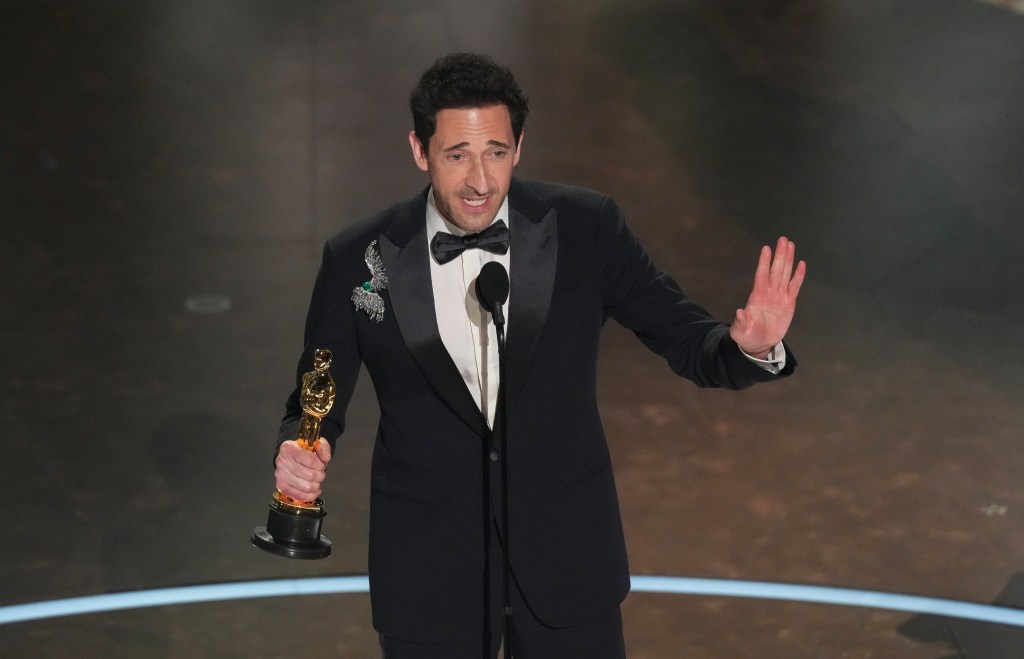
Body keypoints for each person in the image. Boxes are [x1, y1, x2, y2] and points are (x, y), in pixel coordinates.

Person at [272, 52, 806, 658]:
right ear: (420, 151)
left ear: (519, 147)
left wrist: (748, 348)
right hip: (429, 566)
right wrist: (300, 448)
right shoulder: (357, 259)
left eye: (497, 152)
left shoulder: (586, 228)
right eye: (457, 155)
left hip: (567, 559)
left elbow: (688, 341)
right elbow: (314, 397)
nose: (481, 180)